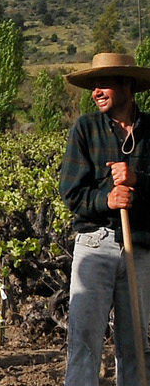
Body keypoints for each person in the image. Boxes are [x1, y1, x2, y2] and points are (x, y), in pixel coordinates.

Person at [59, 52, 150, 386]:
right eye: (93, 85)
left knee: (138, 344)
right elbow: (71, 193)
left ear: (127, 85)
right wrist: (107, 199)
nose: (96, 91)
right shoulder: (85, 129)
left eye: (104, 84)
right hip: (94, 244)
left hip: (140, 247)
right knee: (83, 342)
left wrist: (138, 178)